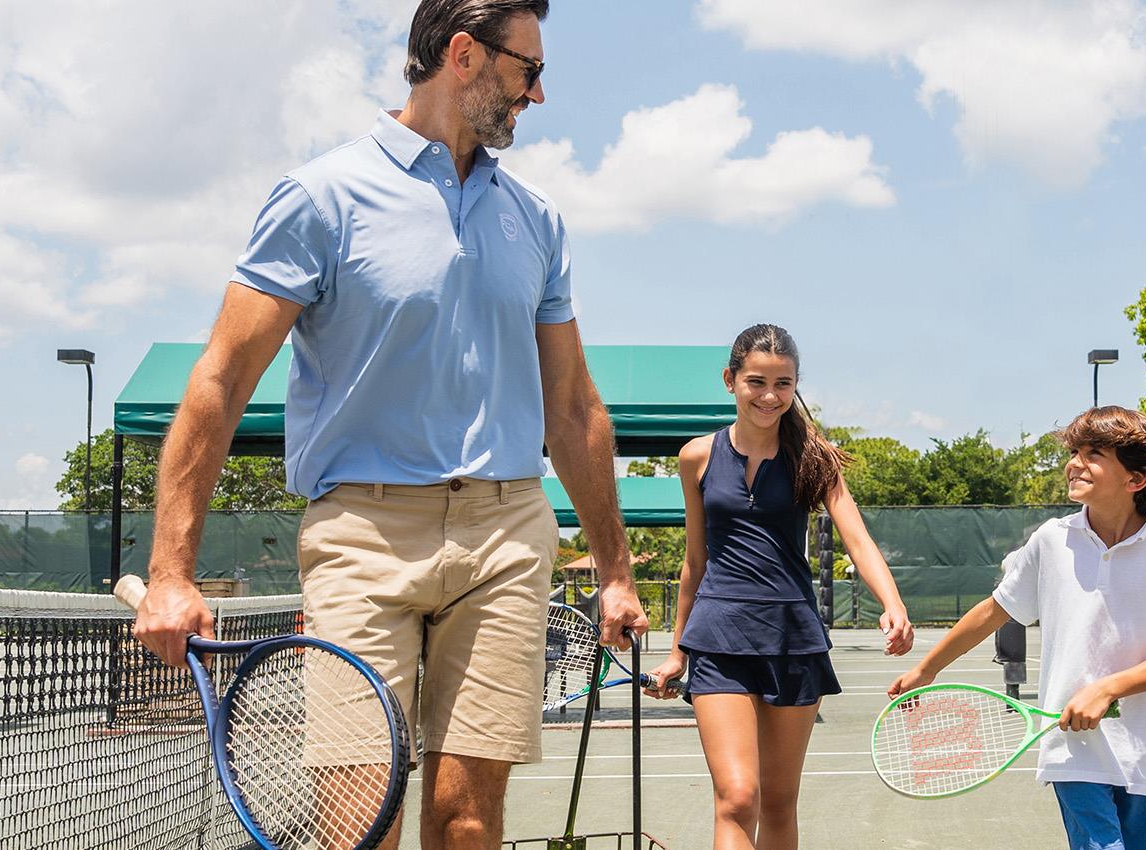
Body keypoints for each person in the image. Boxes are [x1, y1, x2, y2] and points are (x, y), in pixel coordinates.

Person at [128, 2, 648, 848]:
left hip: (507, 536)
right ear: (466, 56)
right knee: (358, 827)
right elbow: (220, 380)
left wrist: (616, 571)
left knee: (466, 822)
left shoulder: (538, 219)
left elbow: (575, 408)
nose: (540, 95)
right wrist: (170, 572)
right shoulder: (320, 197)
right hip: (361, 538)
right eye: (531, 69)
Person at [887, 406, 1146, 850]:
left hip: (1141, 752)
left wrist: (1106, 689)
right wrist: (928, 669)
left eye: (1093, 452)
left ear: (1136, 479)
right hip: (1071, 750)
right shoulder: (1051, 539)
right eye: (1074, 450)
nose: (1074, 462)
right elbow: (993, 611)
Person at [642, 323, 915, 850]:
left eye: (783, 384)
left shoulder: (816, 459)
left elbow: (856, 537)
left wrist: (893, 603)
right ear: (730, 380)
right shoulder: (695, 456)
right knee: (738, 797)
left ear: (795, 387)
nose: (770, 396)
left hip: (793, 638)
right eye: (756, 382)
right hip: (718, 637)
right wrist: (677, 653)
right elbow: (694, 564)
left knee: (778, 803)